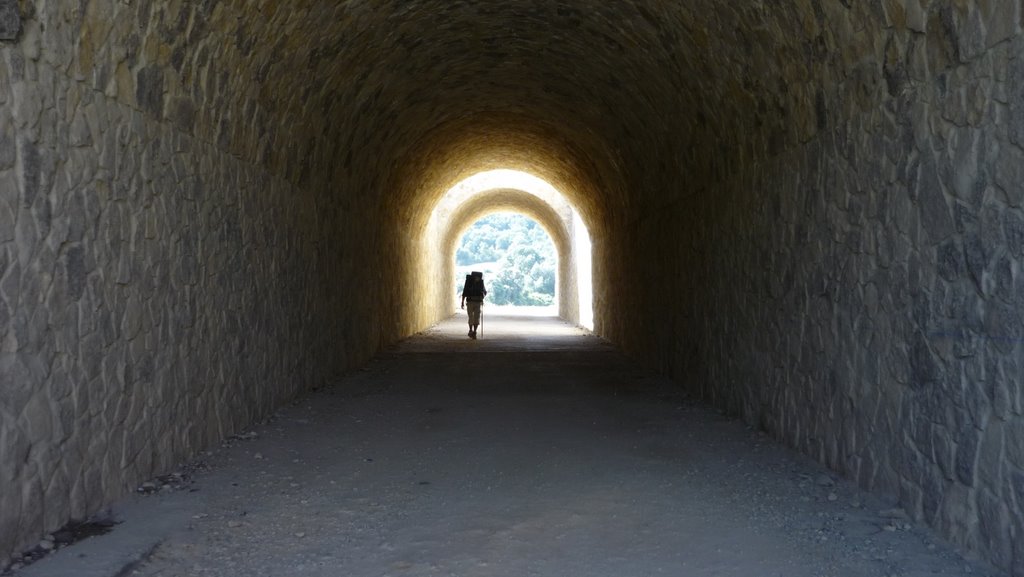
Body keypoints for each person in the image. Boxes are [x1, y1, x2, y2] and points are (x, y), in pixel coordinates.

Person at [460, 271, 487, 339]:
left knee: (476, 317)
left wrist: (483, 294)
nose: (477, 279)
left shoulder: (481, 283)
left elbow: (484, 292)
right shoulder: (469, 283)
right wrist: (462, 302)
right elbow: (464, 291)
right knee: (471, 317)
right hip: (470, 302)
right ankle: (471, 330)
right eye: (477, 277)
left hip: (477, 302)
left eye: (478, 277)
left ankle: (474, 331)